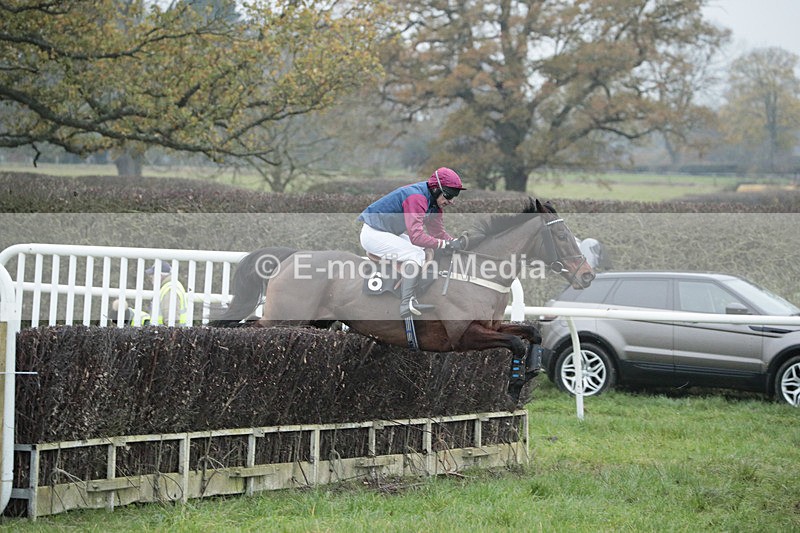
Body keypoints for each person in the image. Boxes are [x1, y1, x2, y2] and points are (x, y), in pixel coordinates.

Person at [357, 167, 466, 318]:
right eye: (448, 195)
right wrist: (444, 244)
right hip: (373, 234)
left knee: (423, 251)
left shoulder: (434, 204)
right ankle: (407, 303)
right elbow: (416, 237)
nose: (451, 201)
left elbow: (437, 233)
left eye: (454, 196)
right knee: (416, 254)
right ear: (435, 189)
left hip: (386, 233)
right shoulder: (417, 198)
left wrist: (454, 242)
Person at [113, 262, 190, 326]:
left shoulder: (169, 290)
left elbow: (171, 321)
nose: (151, 278)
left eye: (152, 275)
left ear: (160, 275)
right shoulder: (169, 287)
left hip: (163, 336)